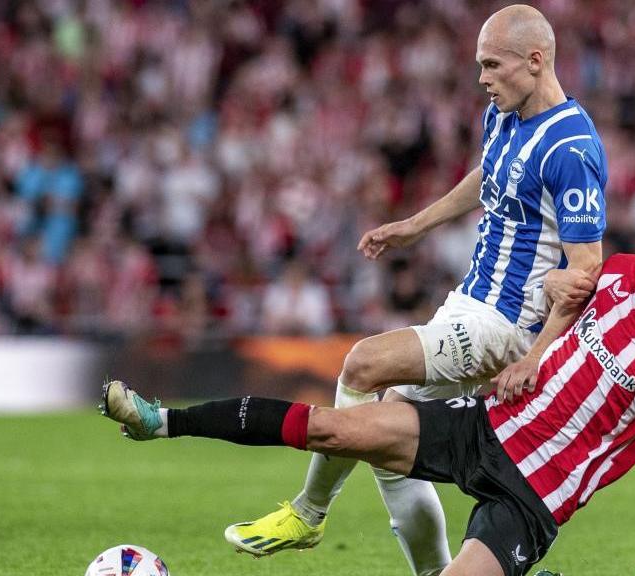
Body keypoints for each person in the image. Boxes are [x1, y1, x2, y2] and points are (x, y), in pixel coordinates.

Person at [101, 198, 635, 576]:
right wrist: (537, 348)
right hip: (485, 424)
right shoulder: (621, 274)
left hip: (534, 494)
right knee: (333, 427)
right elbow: (567, 298)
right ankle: (163, 421)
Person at [221, 5, 609, 575]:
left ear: (535, 59)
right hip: (471, 300)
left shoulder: (572, 149)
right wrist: (415, 225)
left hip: (507, 324)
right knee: (382, 441)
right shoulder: (504, 114)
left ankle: (308, 512)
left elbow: (586, 273)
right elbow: (490, 174)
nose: (482, 78)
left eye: (491, 65)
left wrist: (533, 356)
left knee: (362, 364)